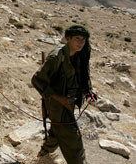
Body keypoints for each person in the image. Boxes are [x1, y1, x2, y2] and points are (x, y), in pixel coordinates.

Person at [31, 25, 97, 164]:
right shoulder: (57, 57)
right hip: (57, 105)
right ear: (68, 39)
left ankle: (44, 154)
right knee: (74, 144)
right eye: (77, 39)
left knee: (57, 131)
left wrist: (88, 92)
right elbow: (37, 80)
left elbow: (83, 77)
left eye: (83, 40)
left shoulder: (79, 56)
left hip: (69, 103)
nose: (81, 43)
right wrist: (60, 99)